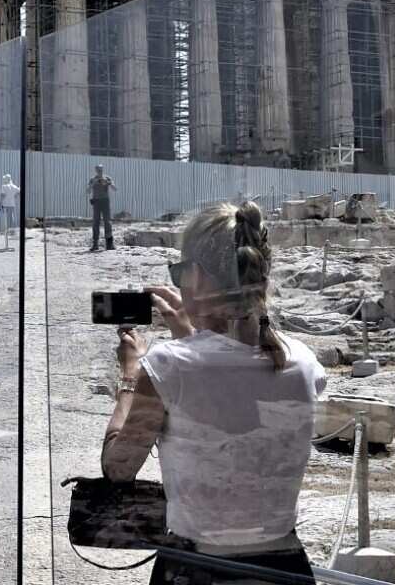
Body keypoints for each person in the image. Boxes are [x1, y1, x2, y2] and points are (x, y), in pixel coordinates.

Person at [101, 202, 325, 585]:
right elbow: (234, 395)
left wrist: (130, 376)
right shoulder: (304, 362)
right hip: (284, 569)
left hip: (199, 570)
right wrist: (192, 337)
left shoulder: (169, 366)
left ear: (200, 279)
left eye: (181, 271)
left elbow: (118, 468)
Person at [86, 164, 116, 251]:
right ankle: (95, 244)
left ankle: (109, 244)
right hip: (96, 202)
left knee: (107, 222)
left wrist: (109, 183)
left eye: (101, 169)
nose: (100, 171)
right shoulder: (92, 179)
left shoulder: (107, 178)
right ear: (96, 170)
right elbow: (88, 191)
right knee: (96, 222)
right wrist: (94, 183)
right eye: (98, 170)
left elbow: (115, 188)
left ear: (103, 169)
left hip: (105, 201)